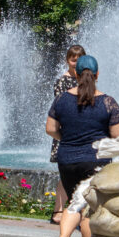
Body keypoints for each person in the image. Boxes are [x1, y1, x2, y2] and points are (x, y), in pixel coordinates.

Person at [45, 54, 119, 237]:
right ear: (97, 74)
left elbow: (50, 129)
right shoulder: (107, 102)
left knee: (74, 202)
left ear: (76, 74)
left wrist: (67, 139)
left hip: (67, 159)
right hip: (95, 160)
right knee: (89, 207)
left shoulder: (62, 99)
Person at [49, 44, 86, 224]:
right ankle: (58, 211)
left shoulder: (85, 80)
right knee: (64, 175)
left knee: (78, 174)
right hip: (66, 133)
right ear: (67, 60)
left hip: (82, 132)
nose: (76, 62)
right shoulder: (62, 82)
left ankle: (74, 211)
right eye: (73, 58)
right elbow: (61, 107)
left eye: (79, 58)